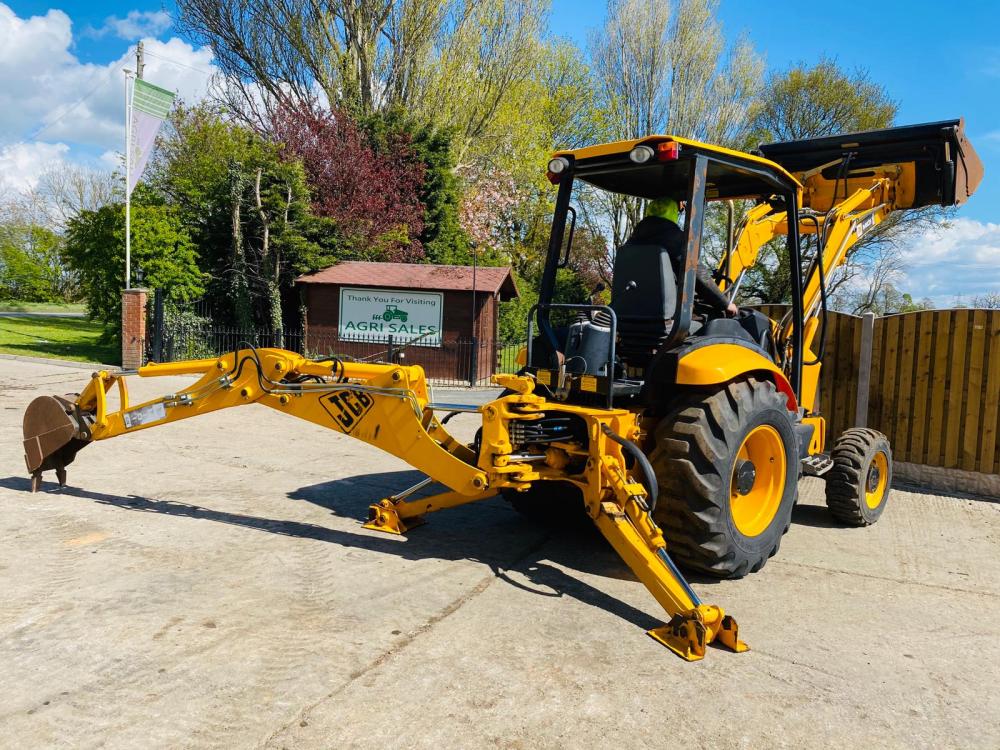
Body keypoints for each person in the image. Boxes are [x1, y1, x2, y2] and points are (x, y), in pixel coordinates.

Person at [624, 197, 738, 317]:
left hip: (632, 313)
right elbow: (697, 273)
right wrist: (724, 303)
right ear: (672, 212)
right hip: (669, 315)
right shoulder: (675, 239)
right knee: (723, 319)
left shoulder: (633, 241)